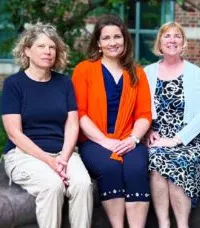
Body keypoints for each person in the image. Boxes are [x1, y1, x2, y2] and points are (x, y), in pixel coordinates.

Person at [0, 23, 93, 228]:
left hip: (63, 152)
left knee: (83, 185)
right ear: (27, 51)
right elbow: (15, 134)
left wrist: (63, 157)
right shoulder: (13, 85)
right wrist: (50, 162)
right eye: (41, 46)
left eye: (52, 47)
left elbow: (72, 125)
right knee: (52, 186)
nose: (48, 51)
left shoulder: (64, 83)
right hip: (24, 154)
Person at [71, 14, 152, 228]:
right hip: (93, 141)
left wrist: (134, 138)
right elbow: (80, 113)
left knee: (136, 168)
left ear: (125, 40)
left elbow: (144, 114)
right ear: (98, 43)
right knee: (110, 167)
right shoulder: (84, 70)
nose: (112, 42)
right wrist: (104, 141)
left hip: (128, 139)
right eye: (106, 38)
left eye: (117, 36)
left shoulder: (137, 73)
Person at [144, 22, 200, 228]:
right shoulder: (147, 72)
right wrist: (148, 129)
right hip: (159, 137)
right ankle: (164, 223)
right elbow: (140, 108)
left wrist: (176, 139)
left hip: (190, 139)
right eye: (167, 36)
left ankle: (182, 225)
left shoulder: (195, 73)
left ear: (183, 43)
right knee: (156, 159)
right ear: (160, 42)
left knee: (178, 162)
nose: (172, 40)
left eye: (177, 36)